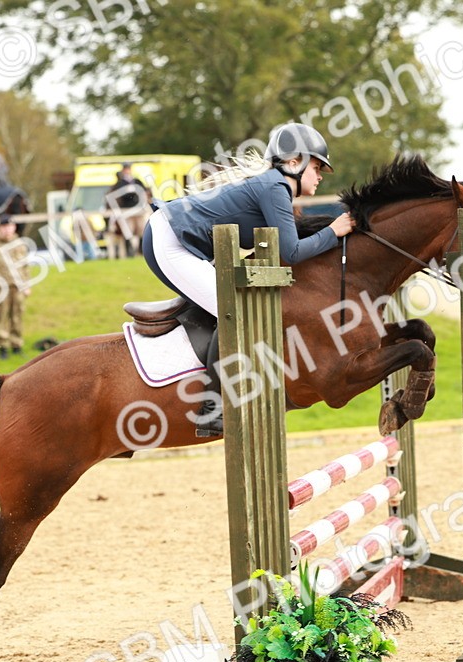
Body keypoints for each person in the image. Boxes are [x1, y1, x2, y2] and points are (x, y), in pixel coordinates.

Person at [142, 122, 354, 437]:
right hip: (170, 242)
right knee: (233, 311)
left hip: (175, 236)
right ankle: (212, 412)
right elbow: (292, 252)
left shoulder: (273, 186)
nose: (321, 175)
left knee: (228, 307)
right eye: (317, 166)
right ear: (294, 162)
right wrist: (333, 232)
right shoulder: (275, 187)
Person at [0, 213, 30, 359]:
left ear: (14, 227)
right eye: (4, 226)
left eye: (9, 226)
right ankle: (3, 346)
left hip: (18, 287)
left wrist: (27, 285)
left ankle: (17, 345)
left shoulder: (19, 244)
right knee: (2, 317)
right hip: (0, 288)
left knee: (17, 316)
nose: (7, 229)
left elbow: (26, 266)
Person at [107, 162, 151, 258]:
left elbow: (144, 192)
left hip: (138, 209)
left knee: (141, 229)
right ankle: (129, 251)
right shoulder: (120, 183)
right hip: (126, 210)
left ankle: (141, 250)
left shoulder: (137, 181)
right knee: (128, 231)